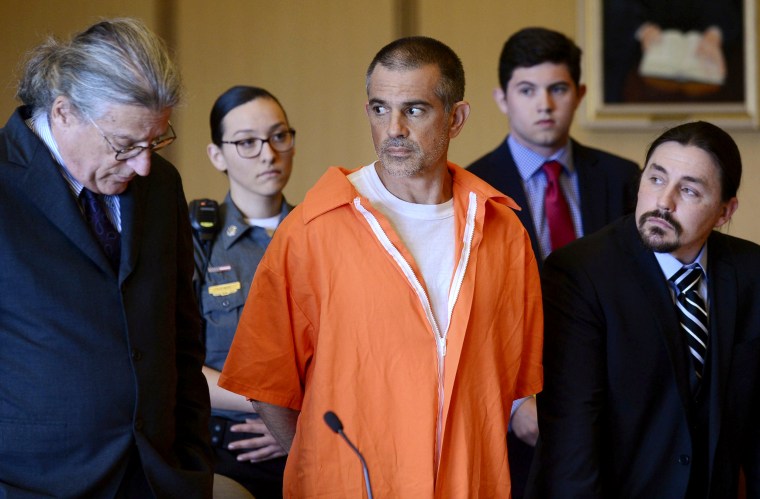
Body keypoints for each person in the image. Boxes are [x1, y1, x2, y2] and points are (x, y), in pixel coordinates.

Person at [219, 36, 543, 497]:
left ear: (456, 118)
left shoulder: (502, 229)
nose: (393, 128)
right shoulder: (313, 226)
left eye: (414, 110)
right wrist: (321, 464)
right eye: (378, 109)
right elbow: (266, 381)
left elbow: (510, 382)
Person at [0, 18, 212, 497]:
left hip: (156, 477)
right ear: (65, 112)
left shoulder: (160, 187)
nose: (142, 164)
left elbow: (181, 338)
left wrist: (192, 464)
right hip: (29, 483)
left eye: (155, 141)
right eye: (124, 145)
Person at [528, 121, 760, 498]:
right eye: (655, 179)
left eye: (688, 190)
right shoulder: (579, 273)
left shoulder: (751, 273)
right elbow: (572, 437)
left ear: (724, 211)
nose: (663, 201)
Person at [467, 26, 640, 498]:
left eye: (557, 89)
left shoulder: (625, 179)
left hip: (617, 408)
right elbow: (466, 318)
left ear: (579, 93)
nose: (544, 104)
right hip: (516, 414)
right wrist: (510, 404)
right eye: (527, 90)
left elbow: (643, 296)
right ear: (502, 98)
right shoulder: (469, 190)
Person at [193, 86, 293, 498]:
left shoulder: (321, 236)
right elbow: (174, 365)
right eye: (247, 142)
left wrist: (299, 427)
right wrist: (276, 413)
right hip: (226, 453)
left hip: (315, 443)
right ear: (217, 155)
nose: (268, 154)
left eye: (279, 136)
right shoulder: (198, 239)